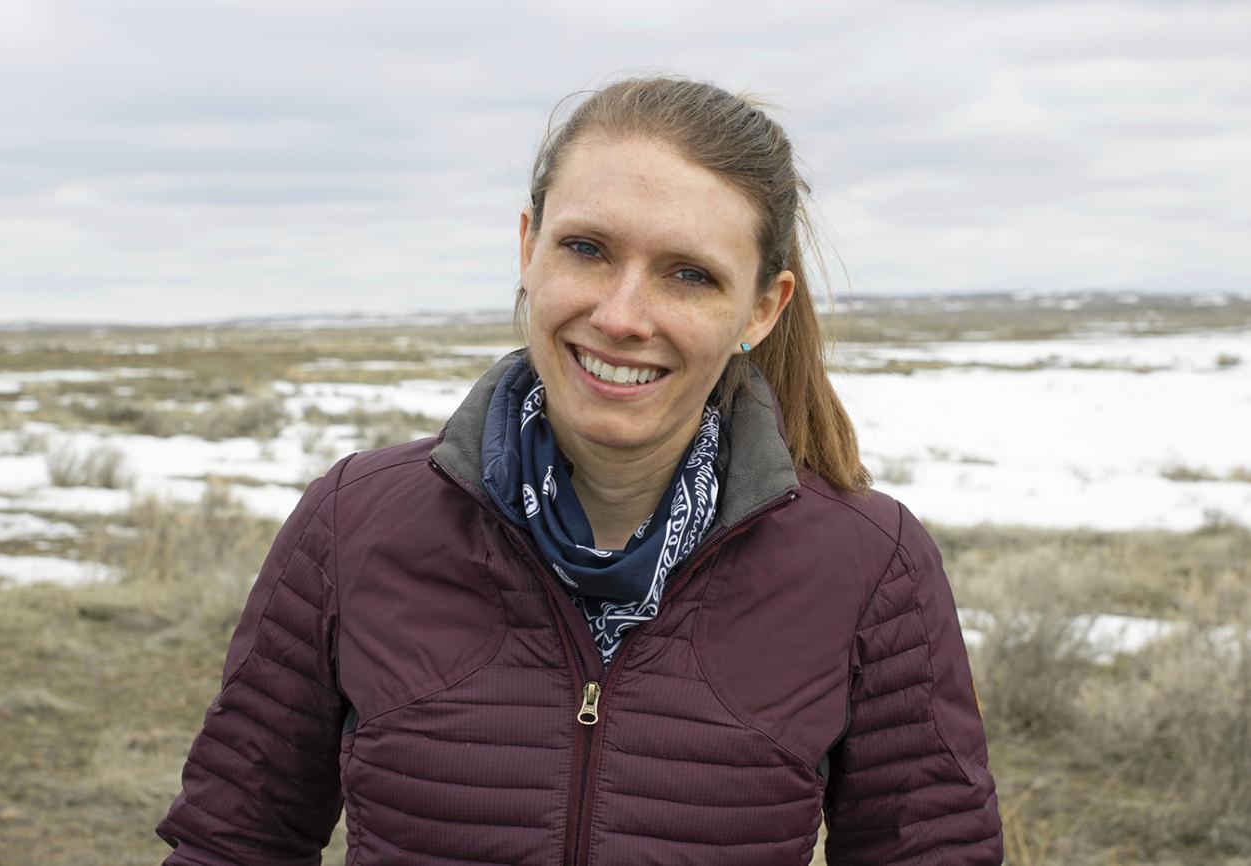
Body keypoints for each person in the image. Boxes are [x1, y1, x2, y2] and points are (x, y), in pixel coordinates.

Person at [156, 76, 1003, 865]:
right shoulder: (355, 524)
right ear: (529, 249)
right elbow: (232, 842)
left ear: (761, 309)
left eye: (688, 274)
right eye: (588, 249)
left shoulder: (867, 565)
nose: (622, 315)